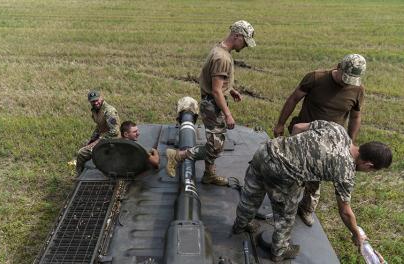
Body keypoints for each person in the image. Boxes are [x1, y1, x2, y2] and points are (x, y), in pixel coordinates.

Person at [232, 120, 392, 262]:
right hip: (282, 173)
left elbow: (297, 127)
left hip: (267, 150)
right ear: (369, 165)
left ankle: (240, 224)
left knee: (251, 194)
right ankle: (279, 252)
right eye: (371, 171)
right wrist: (356, 234)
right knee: (286, 216)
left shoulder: (338, 130)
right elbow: (345, 211)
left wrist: (294, 151)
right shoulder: (346, 173)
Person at [273, 54, 367, 226]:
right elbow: (294, 99)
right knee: (290, 170)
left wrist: (350, 142)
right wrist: (280, 123)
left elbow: (355, 117)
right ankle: (282, 204)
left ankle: (306, 209)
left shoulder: (358, 89)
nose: (347, 83)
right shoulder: (316, 78)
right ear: (338, 66)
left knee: (315, 177)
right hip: (302, 133)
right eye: (345, 78)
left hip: (331, 143)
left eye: (351, 80)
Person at [166, 20, 256, 186]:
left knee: (215, 141)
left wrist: (231, 89)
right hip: (212, 104)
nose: (245, 46)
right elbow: (216, 90)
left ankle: (209, 174)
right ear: (237, 36)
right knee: (215, 146)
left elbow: (217, 81)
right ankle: (178, 156)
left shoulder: (220, 49)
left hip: (213, 101)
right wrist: (228, 114)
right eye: (244, 41)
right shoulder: (222, 57)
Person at [76, 90, 120, 176]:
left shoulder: (109, 111)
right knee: (85, 146)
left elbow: (115, 131)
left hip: (112, 141)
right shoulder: (95, 110)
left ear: (101, 98)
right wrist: (92, 140)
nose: (95, 103)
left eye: (97, 100)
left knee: (81, 153)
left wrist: (98, 140)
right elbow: (99, 126)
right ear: (90, 102)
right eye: (93, 101)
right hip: (104, 139)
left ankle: (79, 176)